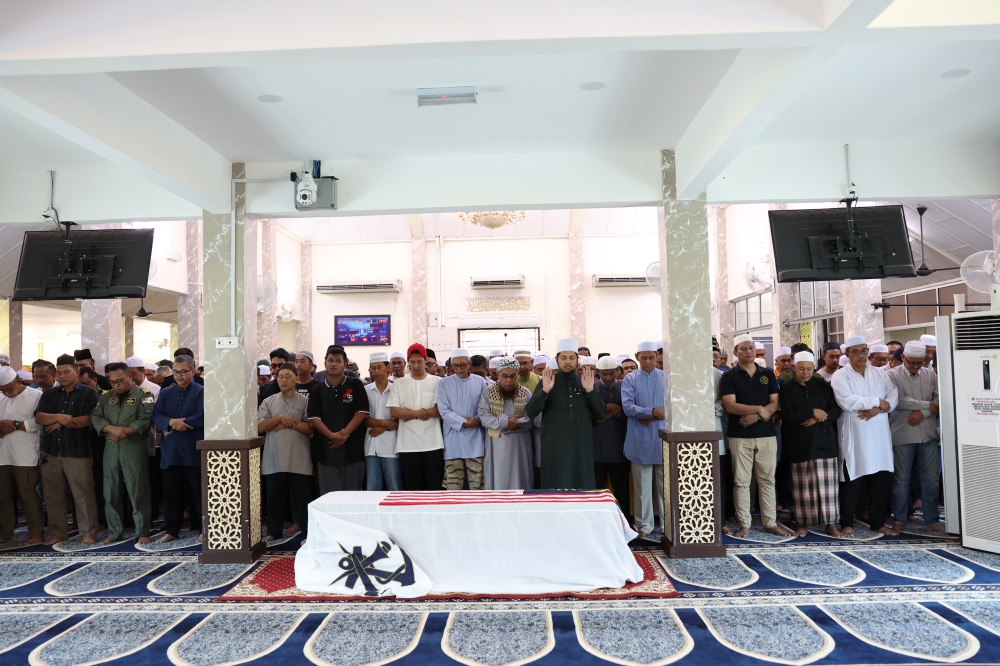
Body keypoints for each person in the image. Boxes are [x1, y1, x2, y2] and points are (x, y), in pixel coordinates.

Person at [720, 334, 790, 537]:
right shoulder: (729, 376)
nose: (749, 351)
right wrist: (760, 409)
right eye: (743, 349)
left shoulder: (767, 374)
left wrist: (756, 417)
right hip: (739, 436)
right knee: (741, 481)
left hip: (766, 435)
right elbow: (730, 406)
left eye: (751, 348)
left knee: (767, 480)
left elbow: (775, 403)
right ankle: (745, 524)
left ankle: (770, 522)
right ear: (735, 352)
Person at [831, 336, 898, 536]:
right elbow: (847, 402)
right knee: (852, 482)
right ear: (847, 354)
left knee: (880, 481)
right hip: (855, 435)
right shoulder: (840, 376)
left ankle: (877, 523)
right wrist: (877, 401)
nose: (861, 355)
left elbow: (892, 396)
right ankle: (847, 523)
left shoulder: (879, 373)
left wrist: (877, 410)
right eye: (856, 351)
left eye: (863, 351)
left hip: (879, 436)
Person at [34, 354, 101, 546]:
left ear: (77, 371)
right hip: (52, 452)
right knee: (53, 495)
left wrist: (60, 423)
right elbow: (39, 418)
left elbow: (90, 419)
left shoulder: (88, 393)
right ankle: (58, 533)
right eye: (59, 373)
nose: (62, 376)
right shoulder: (49, 394)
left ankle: (88, 532)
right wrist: (61, 417)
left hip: (77, 451)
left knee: (82, 493)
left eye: (67, 372)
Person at [527, 338, 605, 489]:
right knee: (555, 485)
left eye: (571, 358)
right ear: (556, 359)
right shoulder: (548, 381)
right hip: (554, 447)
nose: (567, 362)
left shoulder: (584, 381)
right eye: (563, 358)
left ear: (577, 359)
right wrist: (545, 391)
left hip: (580, 446)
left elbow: (600, 412)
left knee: (582, 485)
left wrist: (590, 389)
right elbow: (530, 412)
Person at [779, 351, 842, 537]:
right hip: (800, 442)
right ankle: (803, 524)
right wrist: (812, 411)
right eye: (801, 368)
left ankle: (830, 524)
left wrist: (818, 418)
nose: (805, 372)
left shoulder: (822, 384)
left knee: (828, 487)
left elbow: (835, 410)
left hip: (824, 440)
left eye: (809, 369)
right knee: (803, 487)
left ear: (813, 368)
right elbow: (788, 414)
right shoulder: (787, 387)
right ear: (794, 367)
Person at [91, 362, 154, 545]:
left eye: (120, 381)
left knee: (137, 489)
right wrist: (112, 429)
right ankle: (115, 531)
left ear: (130, 377)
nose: (116, 385)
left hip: (133, 447)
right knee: (110, 491)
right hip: (111, 447)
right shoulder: (105, 397)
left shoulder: (144, 395)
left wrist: (124, 432)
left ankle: (142, 531)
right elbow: (96, 417)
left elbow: (146, 418)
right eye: (112, 382)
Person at [886, 340, 943, 533]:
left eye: (920, 363)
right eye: (912, 363)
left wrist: (923, 413)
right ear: (903, 358)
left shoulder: (930, 374)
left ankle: (932, 519)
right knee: (901, 479)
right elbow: (898, 401)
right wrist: (928, 407)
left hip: (928, 433)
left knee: (931, 480)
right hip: (903, 433)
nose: (916, 367)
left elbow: (939, 398)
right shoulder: (891, 375)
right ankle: (900, 519)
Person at [151, 355, 205, 543]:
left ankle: (202, 529)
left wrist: (177, 424)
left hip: (193, 449)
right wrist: (171, 422)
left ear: (193, 371)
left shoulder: (201, 391)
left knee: (198, 492)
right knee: (171, 492)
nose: (179, 375)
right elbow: (156, 415)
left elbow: (201, 416)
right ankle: (172, 530)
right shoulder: (166, 393)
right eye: (176, 372)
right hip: (171, 451)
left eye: (183, 371)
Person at [258, 363, 315, 540]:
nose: (283, 379)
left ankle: (308, 533)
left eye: (288, 376)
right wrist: (280, 419)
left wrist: (289, 423)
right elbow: (260, 426)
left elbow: (311, 427)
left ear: (296, 379)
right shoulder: (269, 401)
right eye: (280, 376)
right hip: (274, 458)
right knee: (274, 498)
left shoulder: (306, 401)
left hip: (300, 458)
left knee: (304, 498)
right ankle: (274, 531)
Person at [307, 345, 370, 494]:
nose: (333, 364)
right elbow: (314, 417)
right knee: (329, 497)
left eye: (337, 360)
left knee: (352, 496)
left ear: (345, 364)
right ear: (325, 363)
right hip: (325, 451)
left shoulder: (355, 384)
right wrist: (332, 436)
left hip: (352, 451)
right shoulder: (317, 389)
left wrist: (343, 434)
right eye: (330, 360)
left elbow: (361, 412)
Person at [622, 341, 666, 539]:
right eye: (644, 357)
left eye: (651, 357)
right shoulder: (629, 379)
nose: (648, 361)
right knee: (642, 488)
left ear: (657, 356)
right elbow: (628, 408)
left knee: (666, 487)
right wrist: (654, 411)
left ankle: (669, 525)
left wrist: (654, 415)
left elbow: (673, 408)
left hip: (663, 439)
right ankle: (644, 527)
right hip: (639, 439)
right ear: (637, 356)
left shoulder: (667, 377)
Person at [388, 343, 444, 490]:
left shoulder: (438, 382)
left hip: (433, 443)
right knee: (412, 489)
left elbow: (440, 410)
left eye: (419, 361)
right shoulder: (399, 384)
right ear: (408, 363)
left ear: (426, 360)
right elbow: (394, 412)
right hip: (407, 445)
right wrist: (421, 413)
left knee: (434, 487)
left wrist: (409, 413)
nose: (416, 365)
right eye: (412, 362)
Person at [0, 366, 44, 546]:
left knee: (29, 496)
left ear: (18, 381)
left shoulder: (36, 396)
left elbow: (40, 422)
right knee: (3, 497)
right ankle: (5, 533)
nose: (7, 393)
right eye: (3, 390)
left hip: (26, 455)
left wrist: (16, 424)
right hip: (2, 455)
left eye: (9, 388)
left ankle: (36, 533)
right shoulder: (1, 397)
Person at [479, 357, 535, 489]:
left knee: (520, 478)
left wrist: (518, 423)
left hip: (519, 443)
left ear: (517, 375)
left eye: (512, 376)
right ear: (498, 375)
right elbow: (483, 415)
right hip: (496, 443)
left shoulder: (526, 393)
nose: (509, 380)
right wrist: (505, 422)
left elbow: (532, 416)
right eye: (504, 376)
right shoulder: (488, 392)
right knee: (498, 479)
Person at [437, 348, 488, 490]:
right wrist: (465, 421)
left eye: (462, 365)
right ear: (451, 366)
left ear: (469, 364)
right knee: (453, 485)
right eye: (455, 365)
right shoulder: (444, 383)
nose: (458, 368)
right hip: (453, 439)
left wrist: (476, 419)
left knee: (477, 484)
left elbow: (485, 406)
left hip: (476, 439)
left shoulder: (480, 382)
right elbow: (443, 410)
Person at [592, 355, 629, 514]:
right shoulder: (591, 388)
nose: (608, 377)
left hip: (620, 448)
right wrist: (609, 408)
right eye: (604, 374)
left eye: (611, 373)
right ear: (598, 372)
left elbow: (627, 411)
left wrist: (610, 411)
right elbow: (589, 414)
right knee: (597, 490)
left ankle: (625, 520)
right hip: (596, 449)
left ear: (618, 371)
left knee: (622, 488)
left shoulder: (625, 386)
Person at [363, 352, 401, 491]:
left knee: (394, 486)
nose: (376, 371)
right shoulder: (365, 390)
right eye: (373, 368)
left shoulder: (397, 389)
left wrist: (384, 427)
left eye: (380, 367)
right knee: (372, 487)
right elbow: (361, 418)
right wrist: (384, 424)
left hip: (391, 446)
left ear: (388, 368)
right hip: (370, 446)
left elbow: (400, 417)